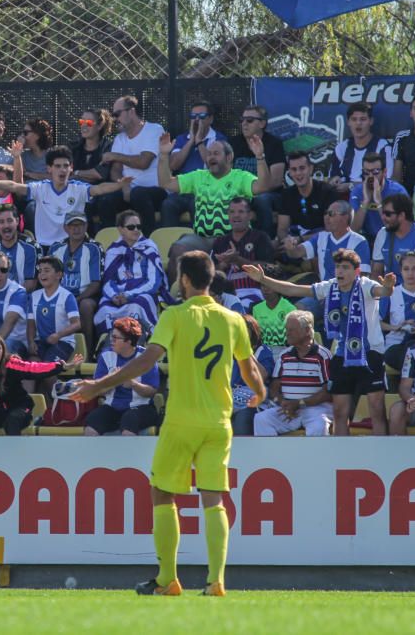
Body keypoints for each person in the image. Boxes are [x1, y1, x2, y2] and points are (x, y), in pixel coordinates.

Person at [70, 250, 267, 597]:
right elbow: (249, 368)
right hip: (219, 423)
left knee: (162, 493)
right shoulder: (234, 319)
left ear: (187, 280)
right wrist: (259, 393)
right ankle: (216, 581)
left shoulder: (175, 315)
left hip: (180, 422)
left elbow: (144, 359)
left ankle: (167, 579)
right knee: (214, 499)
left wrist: (96, 386)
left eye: (178, 276)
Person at [243, 249, 396, 436]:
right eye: (338, 267)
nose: (340, 271)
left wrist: (388, 287)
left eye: (345, 268)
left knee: (376, 409)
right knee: (340, 412)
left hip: (370, 353)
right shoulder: (330, 287)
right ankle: (342, 456)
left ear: (356, 272)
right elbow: (292, 289)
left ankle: (379, 455)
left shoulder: (365, 285)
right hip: (342, 354)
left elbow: (383, 291)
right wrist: (263, 279)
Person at [0, 145, 130, 250]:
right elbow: (15, 186)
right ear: (49, 168)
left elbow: (99, 189)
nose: (62, 170)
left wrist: (118, 185)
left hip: (71, 246)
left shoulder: (79, 188)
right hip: (44, 248)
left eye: (65, 166)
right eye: (57, 166)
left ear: (71, 168)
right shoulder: (41, 188)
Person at [159, 133, 271, 250]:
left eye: (216, 154)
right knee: (178, 248)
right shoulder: (199, 176)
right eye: (209, 154)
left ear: (229, 157)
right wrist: (163, 155)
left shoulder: (241, 177)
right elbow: (166, 183)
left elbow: (263, 187)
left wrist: (260, 157)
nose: (211, 157)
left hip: (234, 239)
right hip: (201, 239)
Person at [253, 310, 333, 437]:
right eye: (286, 329)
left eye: (292, 330)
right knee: (261, 419)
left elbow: (327, 393)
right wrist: (283, 403)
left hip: (316, 409)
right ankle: (272, 457)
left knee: (319, 425)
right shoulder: (284, 355)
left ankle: (317, 458)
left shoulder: (323, 356)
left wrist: (299, 403)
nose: (287, 333)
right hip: (289, 407)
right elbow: (274, 387)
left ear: (307, 330)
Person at [95, 95, 166, 234]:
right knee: (106, 200)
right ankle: (111, 245)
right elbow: (115, 170)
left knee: (138, 194)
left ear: (131, 111)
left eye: (117, 114)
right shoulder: (119, 138)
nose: (115, 119)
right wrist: (123, 185)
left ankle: (147, 243)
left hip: (155, 190)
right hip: (128, 191)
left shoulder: (154, 130)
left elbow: (144, 162)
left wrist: (115, 155)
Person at [94, 210, 171, 335]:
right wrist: (114, 296)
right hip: (117, 294)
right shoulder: (113, 251)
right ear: (120, 229)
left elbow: (153, 282)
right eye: (131, 227)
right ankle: (108, 345)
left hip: (143, 293)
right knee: (104, 309)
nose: (136, 230)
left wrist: (129, 295)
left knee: (138, 305)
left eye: (138, 227)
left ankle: (139, 341)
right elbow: (107, 281)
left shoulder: (149, 247)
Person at [84, 317, 161, 436]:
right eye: (111, 336)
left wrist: (133, 384)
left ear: (128, 341)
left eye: (115, 338)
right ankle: (96, 455)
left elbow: (151, 392)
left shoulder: (145, 358)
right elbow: (98, 390)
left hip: (141, 407)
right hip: (112, 407)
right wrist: (111, 381)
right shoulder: (106, 356)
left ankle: (127, 455)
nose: (111, 341)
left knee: (129, 423)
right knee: (92, 423)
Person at [48, 211, 103, 352]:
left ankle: (89, 352)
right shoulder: (55, 248)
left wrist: (75, 299)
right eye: (72, 225)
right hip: (60, 295)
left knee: (85, 306)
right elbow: (48, 278)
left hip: (86, 295)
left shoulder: (94, 248)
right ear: (66, 228)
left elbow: (96, 283)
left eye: (80, 225)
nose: (76, 229)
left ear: (86, 227)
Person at [229, 105, 286, 235]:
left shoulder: (274, 144)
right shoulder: (233, 143)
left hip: (269, 194)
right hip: (241, 193)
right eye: (242, 120)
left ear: (262, 123)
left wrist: (252, 191)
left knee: (261, 199)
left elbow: (276, 181)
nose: (244, 124)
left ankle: (265, 241)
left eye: (249, 120)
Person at [210, 197, 274, 309]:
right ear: (228, 216)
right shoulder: (220, 242)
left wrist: (237, 260)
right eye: (232, 212)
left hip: (255, 292)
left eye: (241, 212)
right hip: (225, 294)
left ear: (249, 215)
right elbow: (211, 275)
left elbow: (269, 269)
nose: (236, 215)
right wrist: (223, 264)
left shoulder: (260, 237)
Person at [287, 199, 370, 284]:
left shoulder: (359, 241)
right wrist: (290, 247)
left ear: (345, 217)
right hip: (324, 293)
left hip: (349, 293)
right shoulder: (320, 237)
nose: (326, 217)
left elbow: (362, 276)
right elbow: (296, 253)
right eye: (325, 213)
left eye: (331, 214)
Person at [370, 194, 415, 284]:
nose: (383, 218)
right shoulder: (383, 233)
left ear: (402, 215)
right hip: (387, 293)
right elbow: (376, 271)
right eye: (383, 213)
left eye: (388, 214)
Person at [27, 256, 81, 369]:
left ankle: (53, 386)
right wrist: (31, 342)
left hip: (62, 342)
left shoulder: (67, 296)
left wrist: (58, 335)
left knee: (48, 369)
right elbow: (31, 324)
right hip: (41, 342)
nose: (42, 274)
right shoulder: (34, 296)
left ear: (59, 275)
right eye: (40, 271)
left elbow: (77, 324)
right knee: (30, 369)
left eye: (47, 271)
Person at [327, 103, 392, 195]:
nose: (358, 123)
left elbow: (388, 183)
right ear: (348, 122)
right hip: (343, 201)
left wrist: (351, 186)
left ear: (371, 121)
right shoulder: (342, 148)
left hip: (373, 199)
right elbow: (331, 179)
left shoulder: (383, 147)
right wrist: (334, 181)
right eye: (354, 119)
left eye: (363, 119)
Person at [277, 150, 340, 240]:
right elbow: (282, 229)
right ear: (289, 172)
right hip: (295, 242)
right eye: (294, 169)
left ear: (310, 169)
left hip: (321, 243)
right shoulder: (287, 194)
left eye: (302, 168)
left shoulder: (328, 192)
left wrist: (301, 239)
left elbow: (329, 231)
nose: (298, 173)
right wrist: (287, 242)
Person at [229, 314, 275, 436]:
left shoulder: (263, 351)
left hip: (253, 400)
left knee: (242, 418)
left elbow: (262, 375)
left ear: (252, 331)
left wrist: (245, 350)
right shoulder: (228, 352)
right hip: (231, 398)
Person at [350, 152, 409, 241]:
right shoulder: (357, 191)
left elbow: (400, 228)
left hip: (392, 236)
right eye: (366, 172)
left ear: (384, 172)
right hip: (367, 238)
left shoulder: (398, 192)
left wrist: (379, 202)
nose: (370, 176)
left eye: (375, 172)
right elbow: (353, 230)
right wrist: (365, 201)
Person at [0, 204, 40, 293]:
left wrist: (8, 296)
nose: (6, 225)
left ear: (17, 221)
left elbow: (30, 286)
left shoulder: (31, 248)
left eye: (10, 221)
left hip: (22, 299)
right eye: (1, 222)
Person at [169, 100, 228, 176]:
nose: (197, 119)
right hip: (185, 185)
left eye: (202, 116)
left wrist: (199, 141)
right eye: (193, 116)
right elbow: (173, 166)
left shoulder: (219, 139)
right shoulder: (181, 138)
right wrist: (190, 141)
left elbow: (217, 166)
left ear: (211, 119)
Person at [250, 264, 295, 348]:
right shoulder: (256, 309)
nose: (265, 289)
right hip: (265, 353)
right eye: (263, 285)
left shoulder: (290, 308)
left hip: (286, 351)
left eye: (269, 285)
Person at [71, 108, 114, 184]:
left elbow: (100, 174)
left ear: (100, 125)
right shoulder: (73, 147)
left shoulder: (108, 147)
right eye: (82, 121)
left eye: (89, 122)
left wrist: (76, 173)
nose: (84, 125)